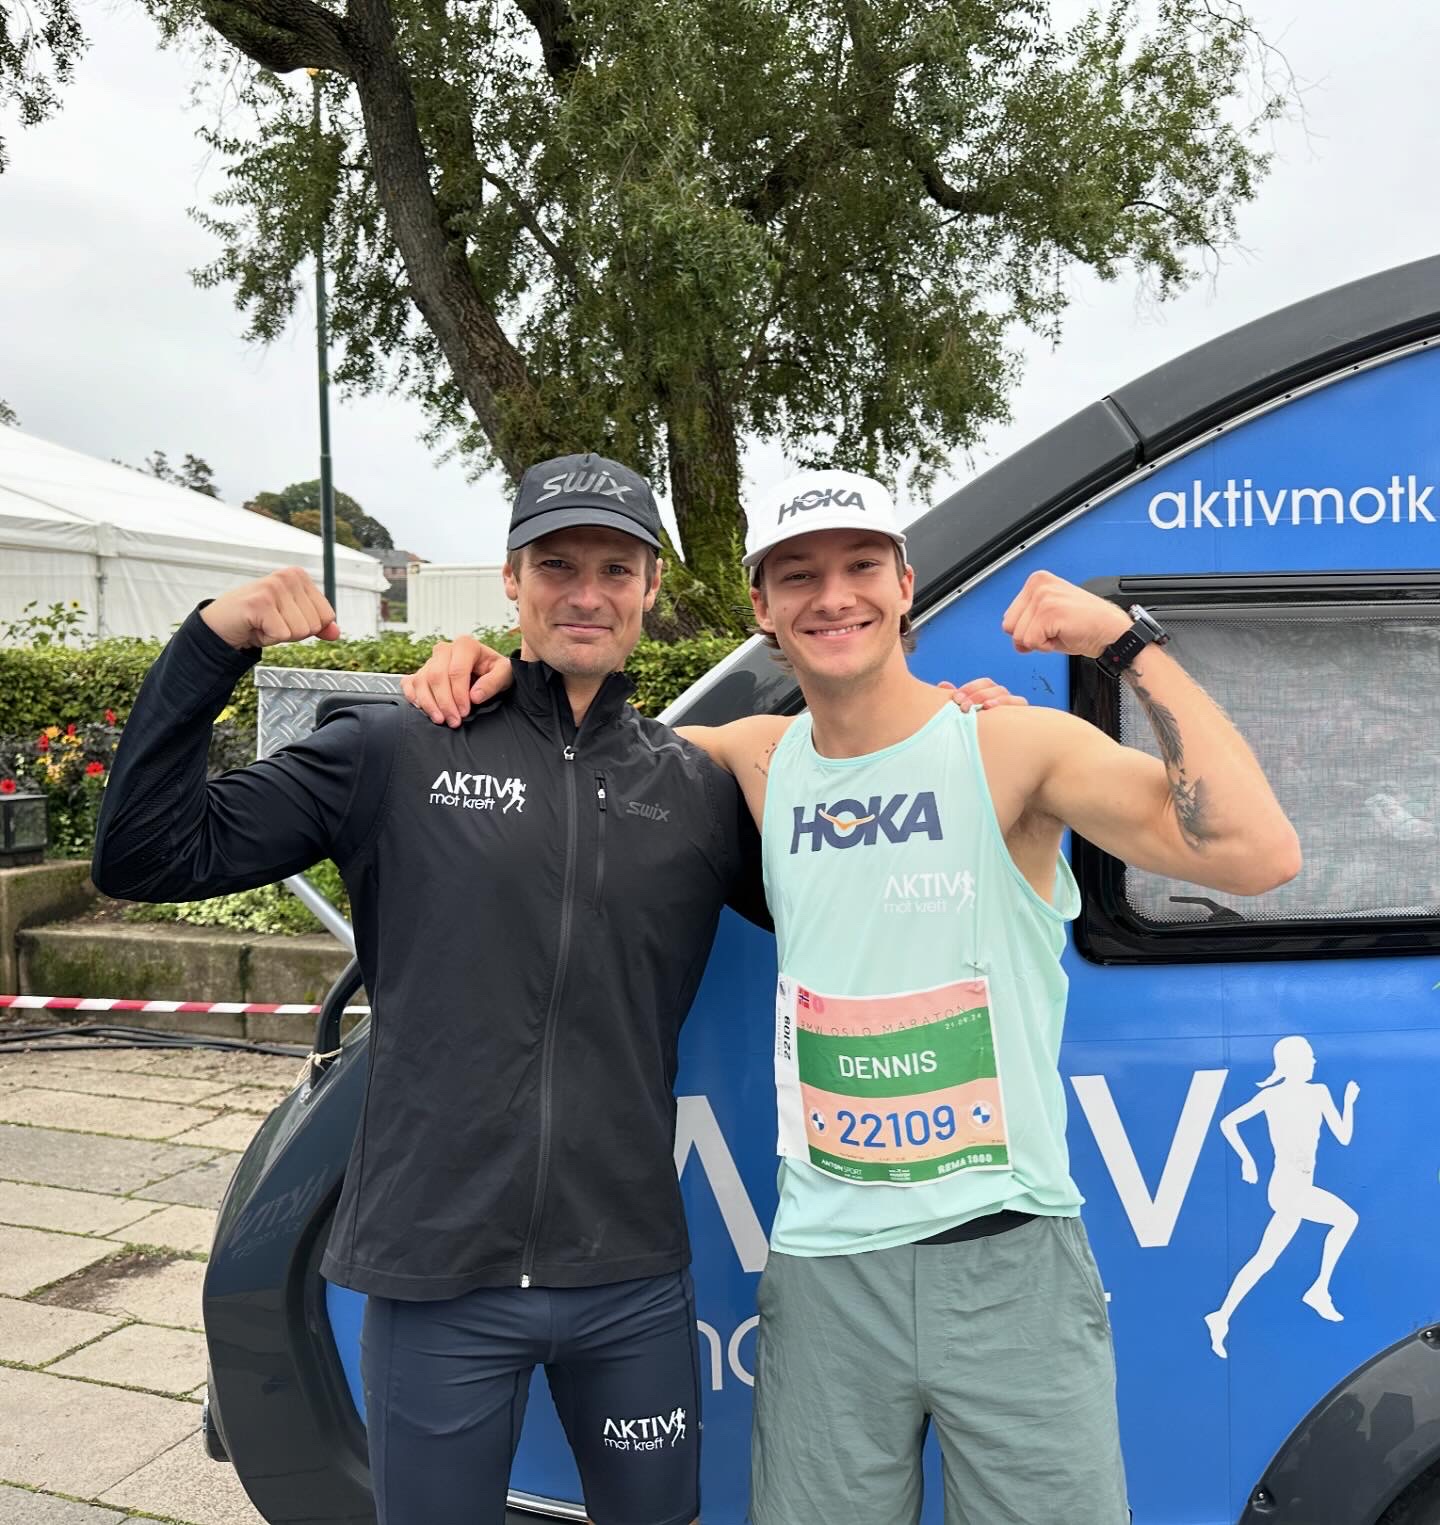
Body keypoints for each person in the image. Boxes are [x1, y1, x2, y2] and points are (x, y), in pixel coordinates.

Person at [91, 452, 1013, 1525]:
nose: (586, 591)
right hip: (437, 1276)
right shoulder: (396, 747)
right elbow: (147, 854)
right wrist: (214, 642)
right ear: (511, 580)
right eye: (557, 563)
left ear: (650, 590)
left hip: (627, 1281)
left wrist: (937, 744)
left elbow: (871, 909)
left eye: (616, 567)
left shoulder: (695, 788)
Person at [409, 467, 1301, 1525]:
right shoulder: (755, 758)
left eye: (860, 565)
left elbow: (1257, 851)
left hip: (1009, 1265)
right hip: (830, 1279)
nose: (833, 595)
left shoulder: (1006, 746)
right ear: (762, 608)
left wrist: (1125, 642)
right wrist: (486, 665)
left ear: (906, 583)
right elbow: (566, 761)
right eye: (799, 575)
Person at [1205, 1036, 1360, 1359]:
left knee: (1265, 1259)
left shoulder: (1316, 1093)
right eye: (1310, 1058)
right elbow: (1227, 1122)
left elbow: (1343, 1137)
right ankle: (1319, 1290)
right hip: (1288, 1187)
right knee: (1347, 1219)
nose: (1315, 1062)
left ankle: (1221, 1316)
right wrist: (1247, 1159)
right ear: (1295, 1062)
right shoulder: (1272, 1096)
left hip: (1294, 1187)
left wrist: (1348, 1102)